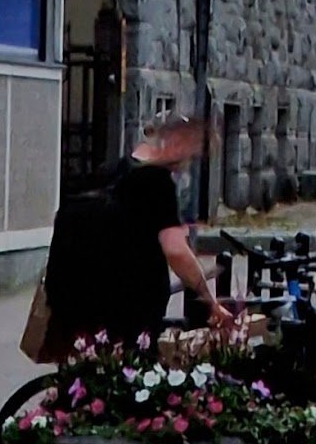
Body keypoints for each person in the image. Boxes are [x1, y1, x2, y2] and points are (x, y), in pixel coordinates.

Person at [40, 112, 243, 357]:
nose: (189, 162)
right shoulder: (157, 182)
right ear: (176, 140)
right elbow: (176, 251)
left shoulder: (116, 169)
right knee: (132, 370)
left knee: (90, 369)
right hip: (128, 309)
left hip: (81, 302)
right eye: (192, 153)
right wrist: (209, 300)